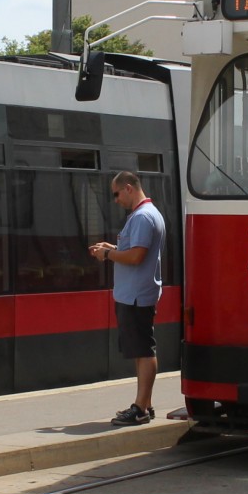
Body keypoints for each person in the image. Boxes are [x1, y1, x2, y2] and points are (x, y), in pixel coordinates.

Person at [89, 171, 165, 426]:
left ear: (129, 188)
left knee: (144, 350)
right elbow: (133, 251)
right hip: (134, 294)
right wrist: (111, 248)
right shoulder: (146, 214)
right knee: (140, 349)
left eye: (116, 194)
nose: (115, 200)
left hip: (136, 296)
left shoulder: (143, 216)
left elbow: (136, 257)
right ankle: (146, 404)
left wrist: (108, 256)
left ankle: (140, 409)